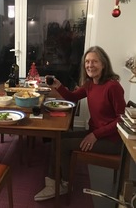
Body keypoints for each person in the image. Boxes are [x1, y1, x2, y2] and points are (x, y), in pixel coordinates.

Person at [34, 45, 126, 201]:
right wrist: (58, 86)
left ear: (104, 64)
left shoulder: (113, 87)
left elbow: (121, 119)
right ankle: (52, 182)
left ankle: (64, 184)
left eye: (95, 62)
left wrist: (95, 135)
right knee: (59, 137)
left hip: (112, 140)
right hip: (96, 132)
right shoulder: (90, 84)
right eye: (87, 62)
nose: (90, 65)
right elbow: (72, 97)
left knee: (63, 145)